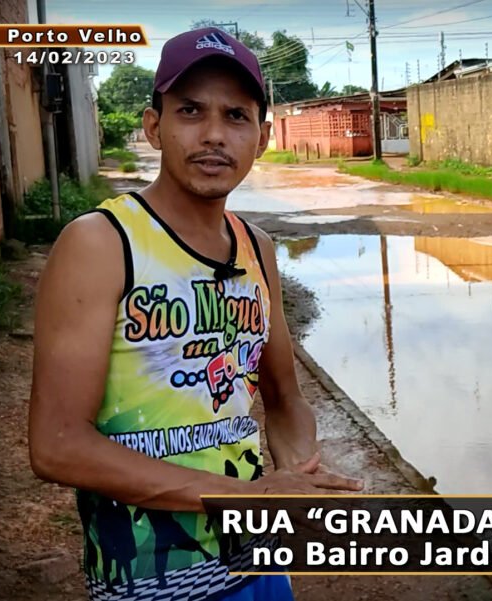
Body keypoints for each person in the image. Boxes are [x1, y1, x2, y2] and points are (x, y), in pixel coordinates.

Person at [28, 27, 363, 601]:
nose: (213, 135)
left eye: (236, 116)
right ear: (154, 126)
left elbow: (284, 396)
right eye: (190, 110)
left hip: (256, 561)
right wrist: (252, 499)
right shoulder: (102, 243)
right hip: (151, 577)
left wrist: (299, 472)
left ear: (260, 137)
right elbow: (57, 444)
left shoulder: (256, 247)